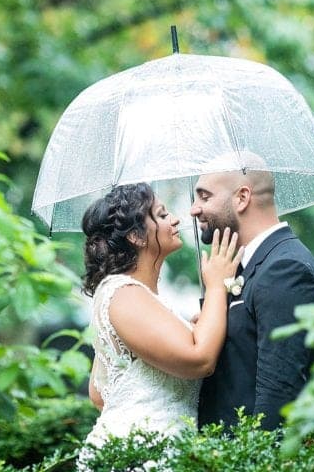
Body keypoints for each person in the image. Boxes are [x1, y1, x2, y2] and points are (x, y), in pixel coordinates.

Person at [80, 182, 242, 454]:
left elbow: (99, 394)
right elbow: (200, 359)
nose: (177, 219)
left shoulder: (133, 296)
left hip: (155, 452)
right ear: (136, 236)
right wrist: (216, 286)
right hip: (140, 458)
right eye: (163, 215)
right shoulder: (124, 294)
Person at [192, 158, 314, 431]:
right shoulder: (244, 268)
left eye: (204, 197)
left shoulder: (285, 269)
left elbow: (278, 397)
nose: (195, 209)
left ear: (242, 197)